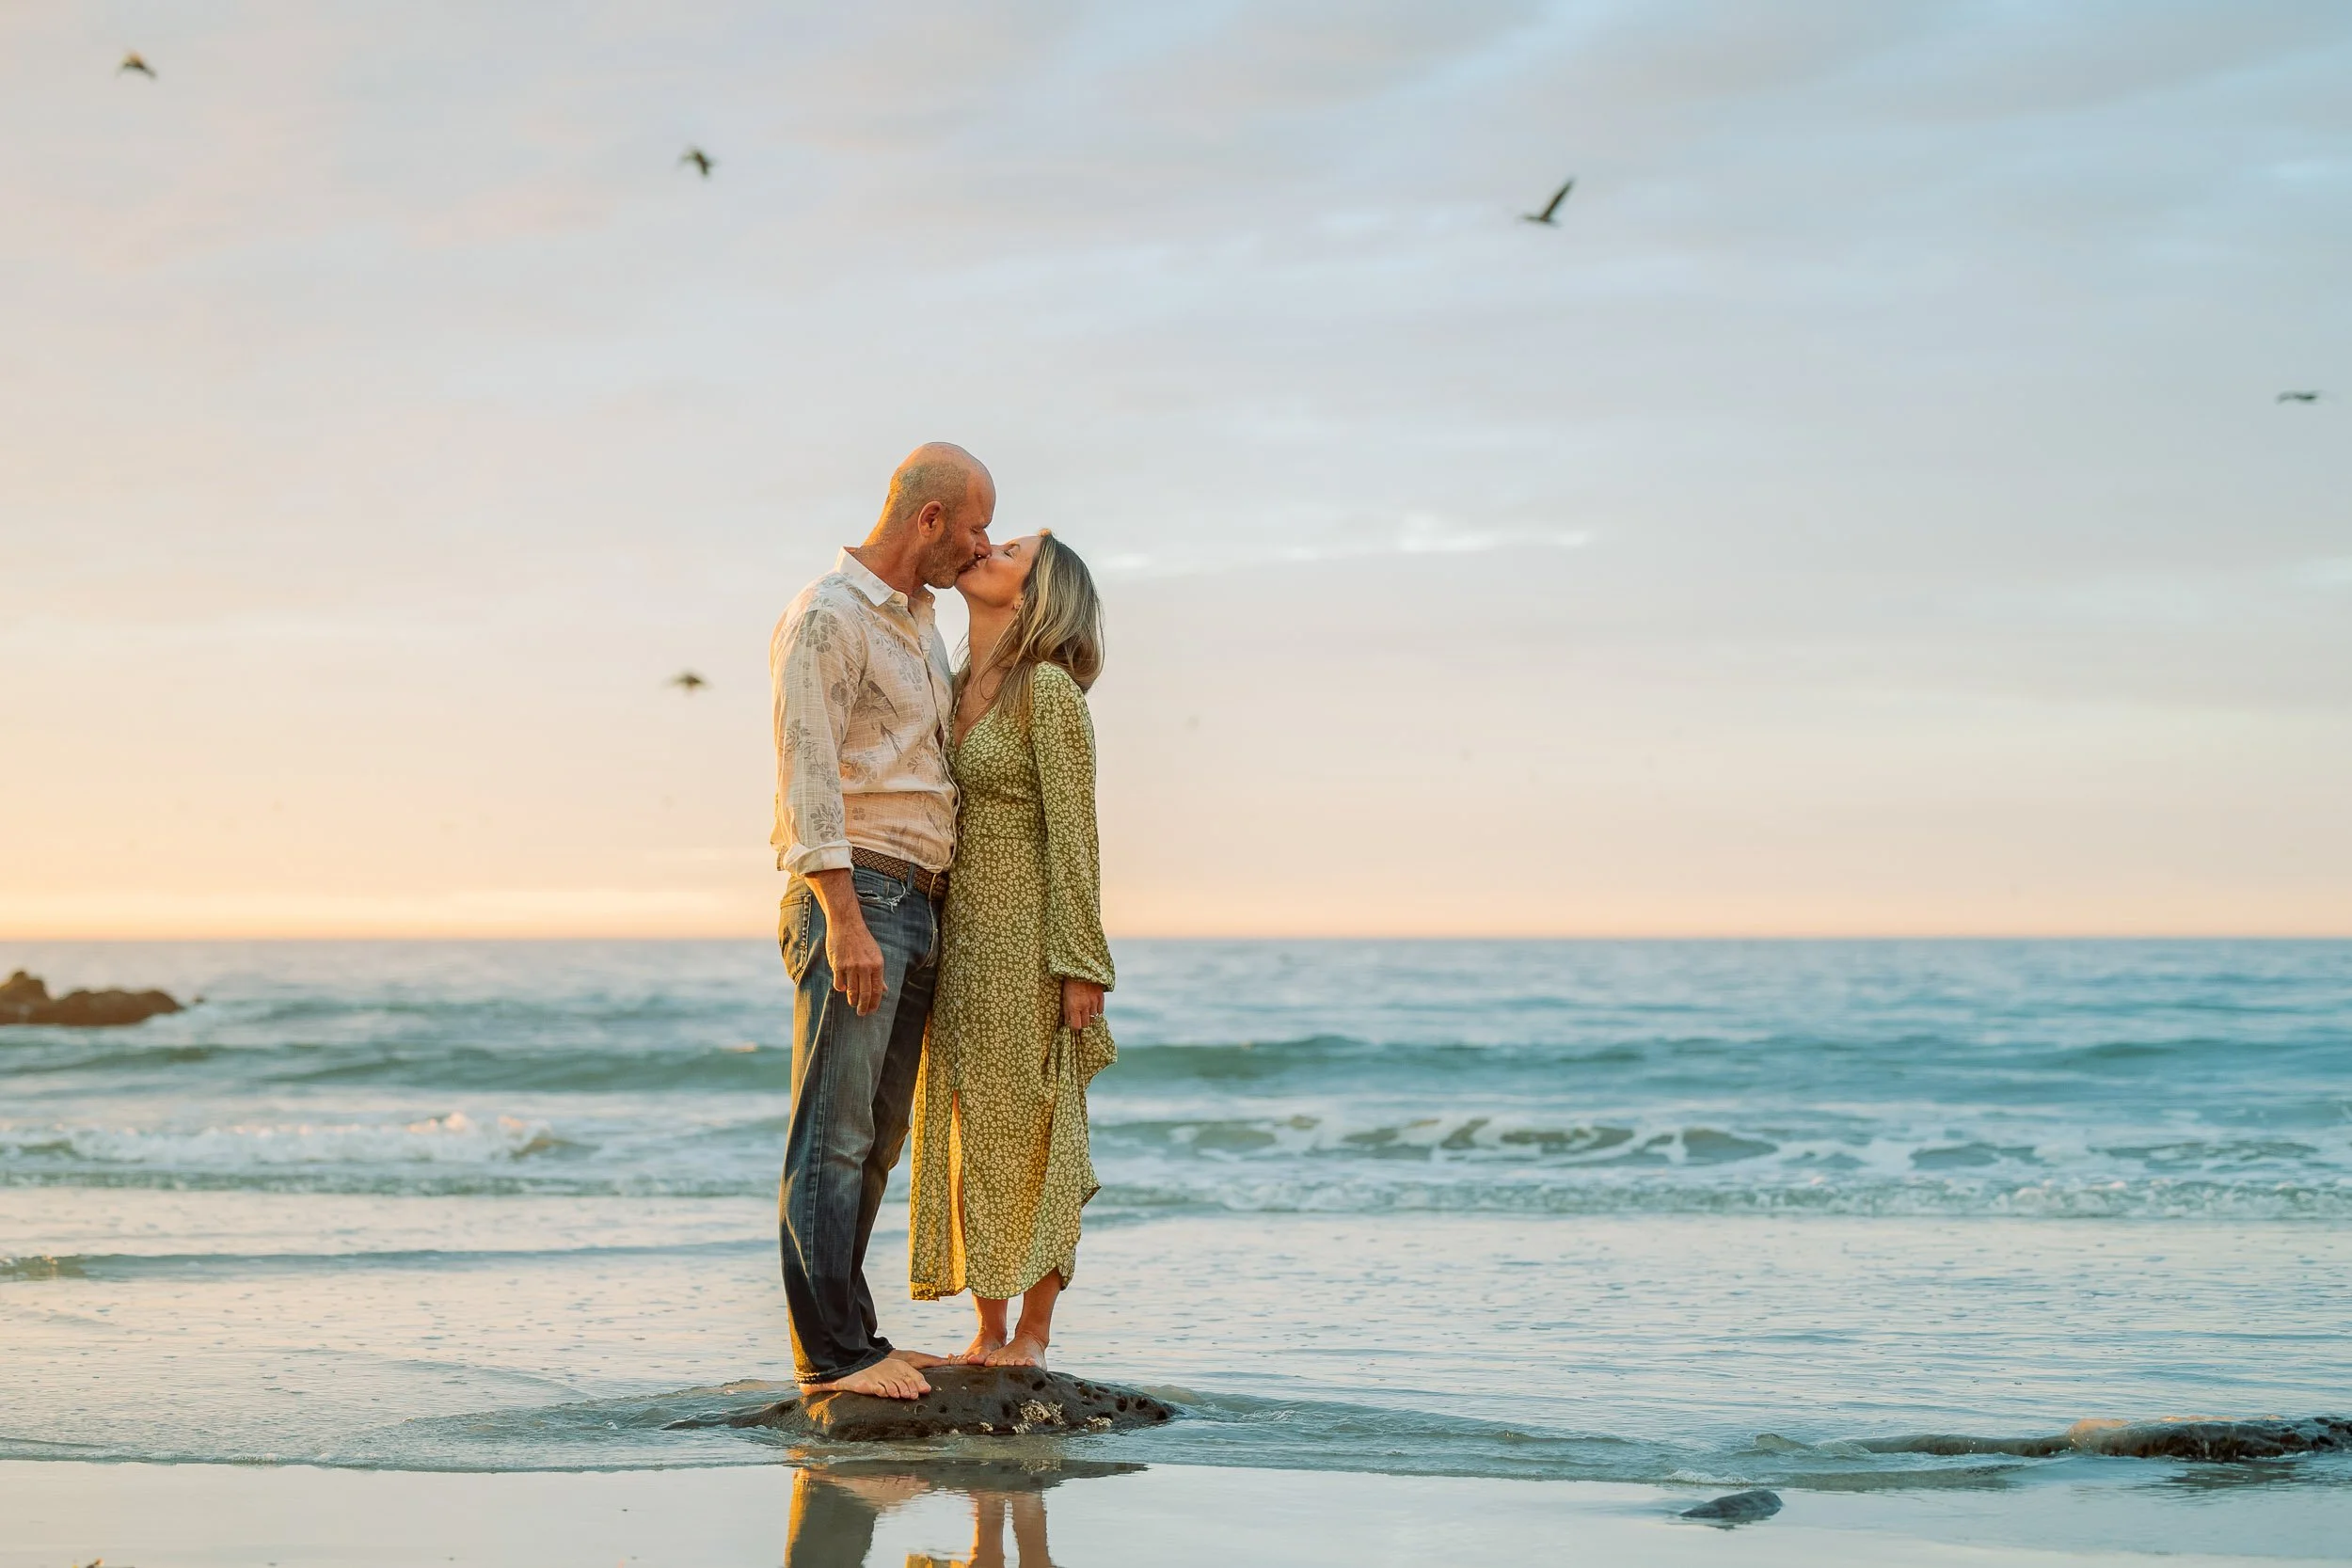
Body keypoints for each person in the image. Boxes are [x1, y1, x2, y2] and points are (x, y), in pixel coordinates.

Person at [771, 441, 996, 1400]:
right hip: (857, 892)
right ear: (930, 518)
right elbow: (807, 771)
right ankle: (833, 1355)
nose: (981, 545)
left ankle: (850, 1331)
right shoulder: (827, 616)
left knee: (878, 1131)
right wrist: (844, 919)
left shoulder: (918, 625)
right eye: (975, 524)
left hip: (917, 898)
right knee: (834, 1130)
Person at [907, 530, 1114, 1367]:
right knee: (966, 1123)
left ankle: (1033, 1333)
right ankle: (986, 1330)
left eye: (1013, 550)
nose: (988, 547)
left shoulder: (1051, 692)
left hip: (1029, 941)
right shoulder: (952, 685)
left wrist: (1080, 964)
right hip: (956, 940)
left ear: (1037, 591)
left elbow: (1077, 838)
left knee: (1033, 1126)